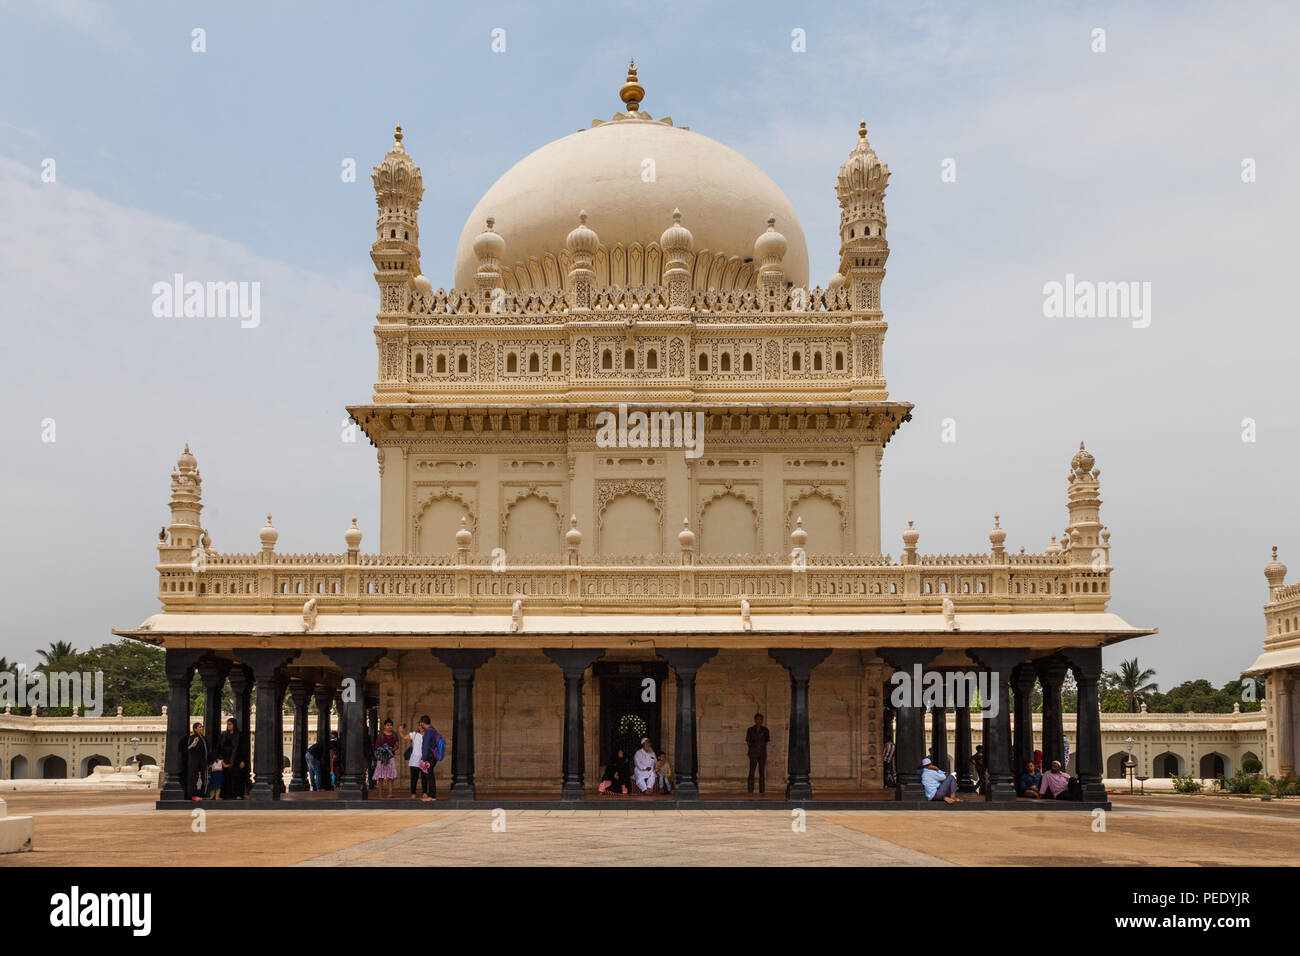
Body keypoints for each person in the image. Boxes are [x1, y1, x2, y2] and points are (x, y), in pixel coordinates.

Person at [372, 718, 399, 799]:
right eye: (388, 725)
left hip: (390, 757)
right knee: (381, 776)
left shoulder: (394, 735)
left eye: (391, 725)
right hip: (382, 758)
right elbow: (377, 747)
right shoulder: (381, 736)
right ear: (384, 726)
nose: (389, 727)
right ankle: (380, 793)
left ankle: (390, 793)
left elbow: (397, 745)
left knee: (390, 776)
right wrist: (384, 749)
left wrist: (392, 749)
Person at [400, 719, 427, 799]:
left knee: (424, 777)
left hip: (424, 758)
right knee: (414, 777)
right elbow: (404, 737)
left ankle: (425, 792)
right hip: (414, 759)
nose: (420, 727)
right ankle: (413, 793)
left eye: (422, 725)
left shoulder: (428, 735)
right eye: (419, 725)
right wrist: (400, 731)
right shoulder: (414, 734)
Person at [419, 716, 444, 802]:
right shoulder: (433, 730)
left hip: (429, 757)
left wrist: (423, 758)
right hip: (433, 756)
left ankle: (432, 795)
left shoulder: (428, 732)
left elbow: (426, 746)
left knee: (429, 776)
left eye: (420, 723)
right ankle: (431, 795)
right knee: (430, 775)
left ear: (422, 723)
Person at [746, 713, 770, 794]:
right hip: (753, 752)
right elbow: (748, 741)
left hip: (762, 753)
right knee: (751, 771)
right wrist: (753, 749)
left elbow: (766, 741)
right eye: (757, 719)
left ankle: (762, 790)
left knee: (761, 771)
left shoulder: (765, 730)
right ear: (755, 720)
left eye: (760, 719)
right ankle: (750, 789)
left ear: (762, 720)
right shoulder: (750, 730)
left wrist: (761, 748)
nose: (759, 721)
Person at [218, 718, 241, 799]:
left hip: (236, 759)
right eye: (228, 724)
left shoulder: (239, 735)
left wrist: (242, 761)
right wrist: (222, 761)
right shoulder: (224, 735)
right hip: (226, 758)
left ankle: (237, 794)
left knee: (236, 777)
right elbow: (220, 748)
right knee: (226, 777)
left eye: (230, 724)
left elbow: (242, 749)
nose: (229, 726)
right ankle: (226, 794)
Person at [185, 722, 208, 800]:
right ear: (195, 729)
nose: (201, 728)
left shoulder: (203, 738)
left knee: (201, 779)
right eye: (199, 727)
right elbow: (189, 748)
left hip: (202, 762)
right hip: (194, 762)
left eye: (202, 727)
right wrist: (195, 742)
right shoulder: (193, 737)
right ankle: (193, 796)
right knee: (193, 779)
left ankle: (201, 794)